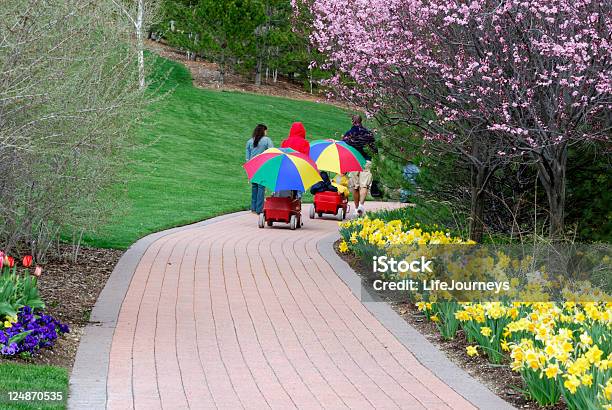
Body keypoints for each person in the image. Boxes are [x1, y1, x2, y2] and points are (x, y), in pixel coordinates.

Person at [343, 114, 377, 216]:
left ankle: (356, 208)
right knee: (364, 185)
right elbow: (375, 150)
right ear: (361, 121)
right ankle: (361, 205)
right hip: (366, 161)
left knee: (355, 187)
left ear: (352, 121)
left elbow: (344, 149)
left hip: (354, 161)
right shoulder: (369, 134)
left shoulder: (349, 134)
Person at [246, 124, 274, 214]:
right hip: (263, 166)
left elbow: (247, 158)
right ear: (263, 131)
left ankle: (253, 208)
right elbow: (272, 151)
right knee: (261, 187)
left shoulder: (250, 141)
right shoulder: (267, 140)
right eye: (266, 131)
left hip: (253, 166)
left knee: (254, 187)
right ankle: (259, 209)